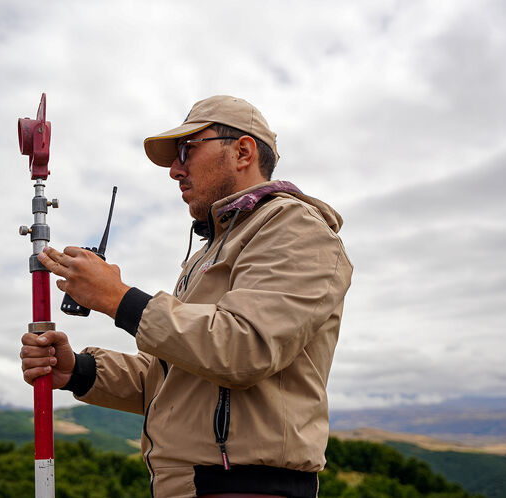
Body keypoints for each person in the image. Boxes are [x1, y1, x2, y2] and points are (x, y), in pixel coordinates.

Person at [20, 95, 353, 498]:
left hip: (245, 488)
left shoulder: (296, 229)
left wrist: (118, 299)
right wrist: (78, 370)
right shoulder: (209, 253)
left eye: (187, 150)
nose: (176, 170)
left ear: (243, 151)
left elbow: (243, 347)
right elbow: (171, 382)